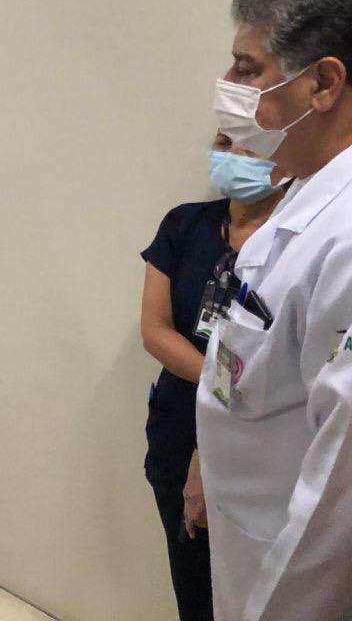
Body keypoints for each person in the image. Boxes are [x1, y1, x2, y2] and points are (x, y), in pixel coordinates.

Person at [198, 0, 352, 621]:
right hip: (249, 532)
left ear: (323, 84)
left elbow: (340, 485)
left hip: (292, 575)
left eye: (247, 68)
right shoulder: (301, 195)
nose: (227, 86)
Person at [140, 133, 287, 621]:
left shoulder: (298, 240)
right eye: (225, 142)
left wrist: (215, 439)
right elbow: (155, 331)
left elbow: (283, 358)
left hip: (262, 440)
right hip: (178, 427)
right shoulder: (184, 224)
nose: (233, 155)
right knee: (195, 591)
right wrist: (230, 379)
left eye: (250, 147)